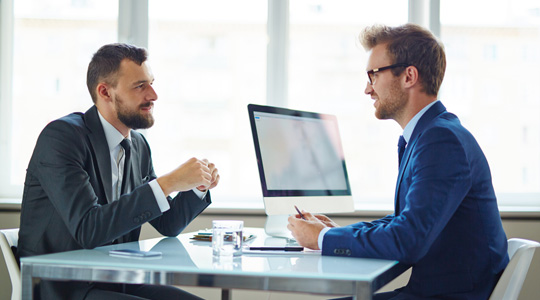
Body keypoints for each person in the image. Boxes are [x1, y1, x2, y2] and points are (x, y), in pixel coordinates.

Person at [287, 24, 509, 299]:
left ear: (409, 76)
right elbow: (405, 221)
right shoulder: (430, 134)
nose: (367, 89)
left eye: (373, 75)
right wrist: (335, 233)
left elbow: (408, 239)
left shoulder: (440, 140)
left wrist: (322, 239)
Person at [18, 43, 220, 300]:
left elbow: (168, 224)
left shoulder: (138, 146)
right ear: (105, 92)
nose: (154, 95)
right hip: (64, 287)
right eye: (140, 86)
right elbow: (88, 229)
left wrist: (196, 187)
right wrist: (168, 182)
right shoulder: (62, 137)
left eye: (151, 83)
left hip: (116, 280)